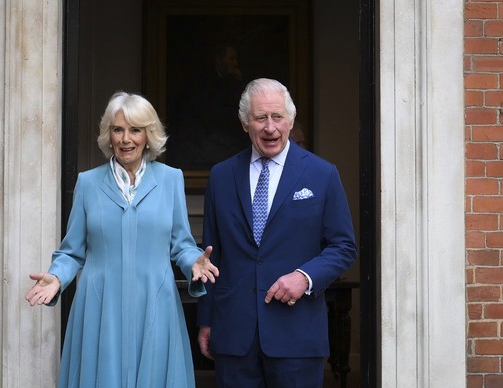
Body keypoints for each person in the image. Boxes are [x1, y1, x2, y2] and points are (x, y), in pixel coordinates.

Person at [25, 91, 219, 388]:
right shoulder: (88, 184)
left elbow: (180, 243)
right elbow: (72, 251)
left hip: (155, 301)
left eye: (135, 130)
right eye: (118, 129)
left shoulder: (170, 180)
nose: (126, 139)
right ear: (109, 135)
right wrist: (56, 277)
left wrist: (193, 260)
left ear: (148, 135)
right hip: (100, 305)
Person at [197, 78, 357, 388]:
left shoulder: (322, 174)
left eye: (277, 117)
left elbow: (343, 246)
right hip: (234, 335)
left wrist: (304, 277)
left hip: (296, 335)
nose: (270, 127)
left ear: (291, 119)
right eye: (260, 118)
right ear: (245, 123)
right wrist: (206, 319)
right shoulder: (221, 176)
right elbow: (209, 255)